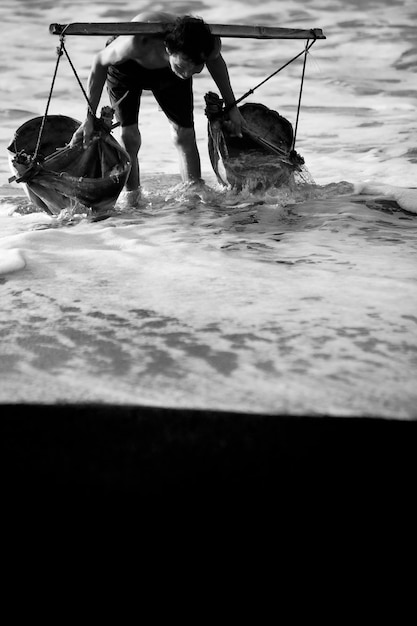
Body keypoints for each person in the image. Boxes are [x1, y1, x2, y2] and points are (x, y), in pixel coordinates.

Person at [71, 11, 243, 201]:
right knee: (130, 137)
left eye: (196, 69)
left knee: (184, 134)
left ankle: (193, 196)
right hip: (126, 69)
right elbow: (99, 62)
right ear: (169, 49)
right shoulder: (134, 43)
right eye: (184, 67)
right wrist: (89, 117)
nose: (187, 74)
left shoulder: (205, 47)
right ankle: (132, 198)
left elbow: (215, 63)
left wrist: (232, 107)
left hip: (170, 73)